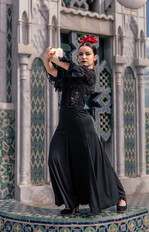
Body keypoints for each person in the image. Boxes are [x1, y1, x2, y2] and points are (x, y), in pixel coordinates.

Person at [43, 35, 127, 216]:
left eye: (88, 54)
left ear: (95, 58)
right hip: (64, 125)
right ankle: (71, 201)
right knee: (55, 159)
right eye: (80, 54)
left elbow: (68, 66)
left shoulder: (88, 74)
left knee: (96, 163)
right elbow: (52, 71)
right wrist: (46, 57)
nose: (83, 57)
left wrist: (56, 57)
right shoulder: (70, 73)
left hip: (82, 124)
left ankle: (121, 195)